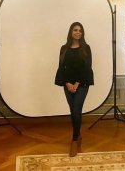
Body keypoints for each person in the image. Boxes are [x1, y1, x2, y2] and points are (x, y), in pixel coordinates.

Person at [55, 22, 94, 157]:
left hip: (81, 84)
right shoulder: (64, 48)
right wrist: (67, 83)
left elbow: (87, 67)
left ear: (82, 33)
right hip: (67, 85)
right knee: (73, 112)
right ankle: (78, 135)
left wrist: (76, 84)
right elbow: (61, 67)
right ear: (71, 32)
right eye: (75, 30)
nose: (77, 32)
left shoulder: (86, 48)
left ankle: (74, 140)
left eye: (80, 30)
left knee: (76, 110)